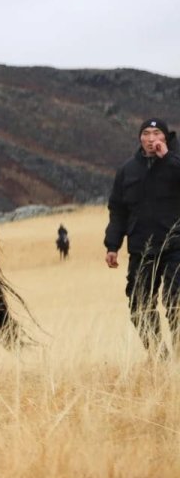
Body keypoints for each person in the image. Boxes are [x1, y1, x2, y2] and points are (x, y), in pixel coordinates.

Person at [103, 117, 180, 357]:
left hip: (176, 246)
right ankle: (160, 358)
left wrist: (167, 158)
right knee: (138, 305)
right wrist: (113, 245)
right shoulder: (128, 170)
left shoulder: (175, 163)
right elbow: (118, 210)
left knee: (174, 302)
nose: (151, 139)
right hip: (141, 248)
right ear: (140, 138)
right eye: (146, 133)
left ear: (165, 138)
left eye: (157, 133)